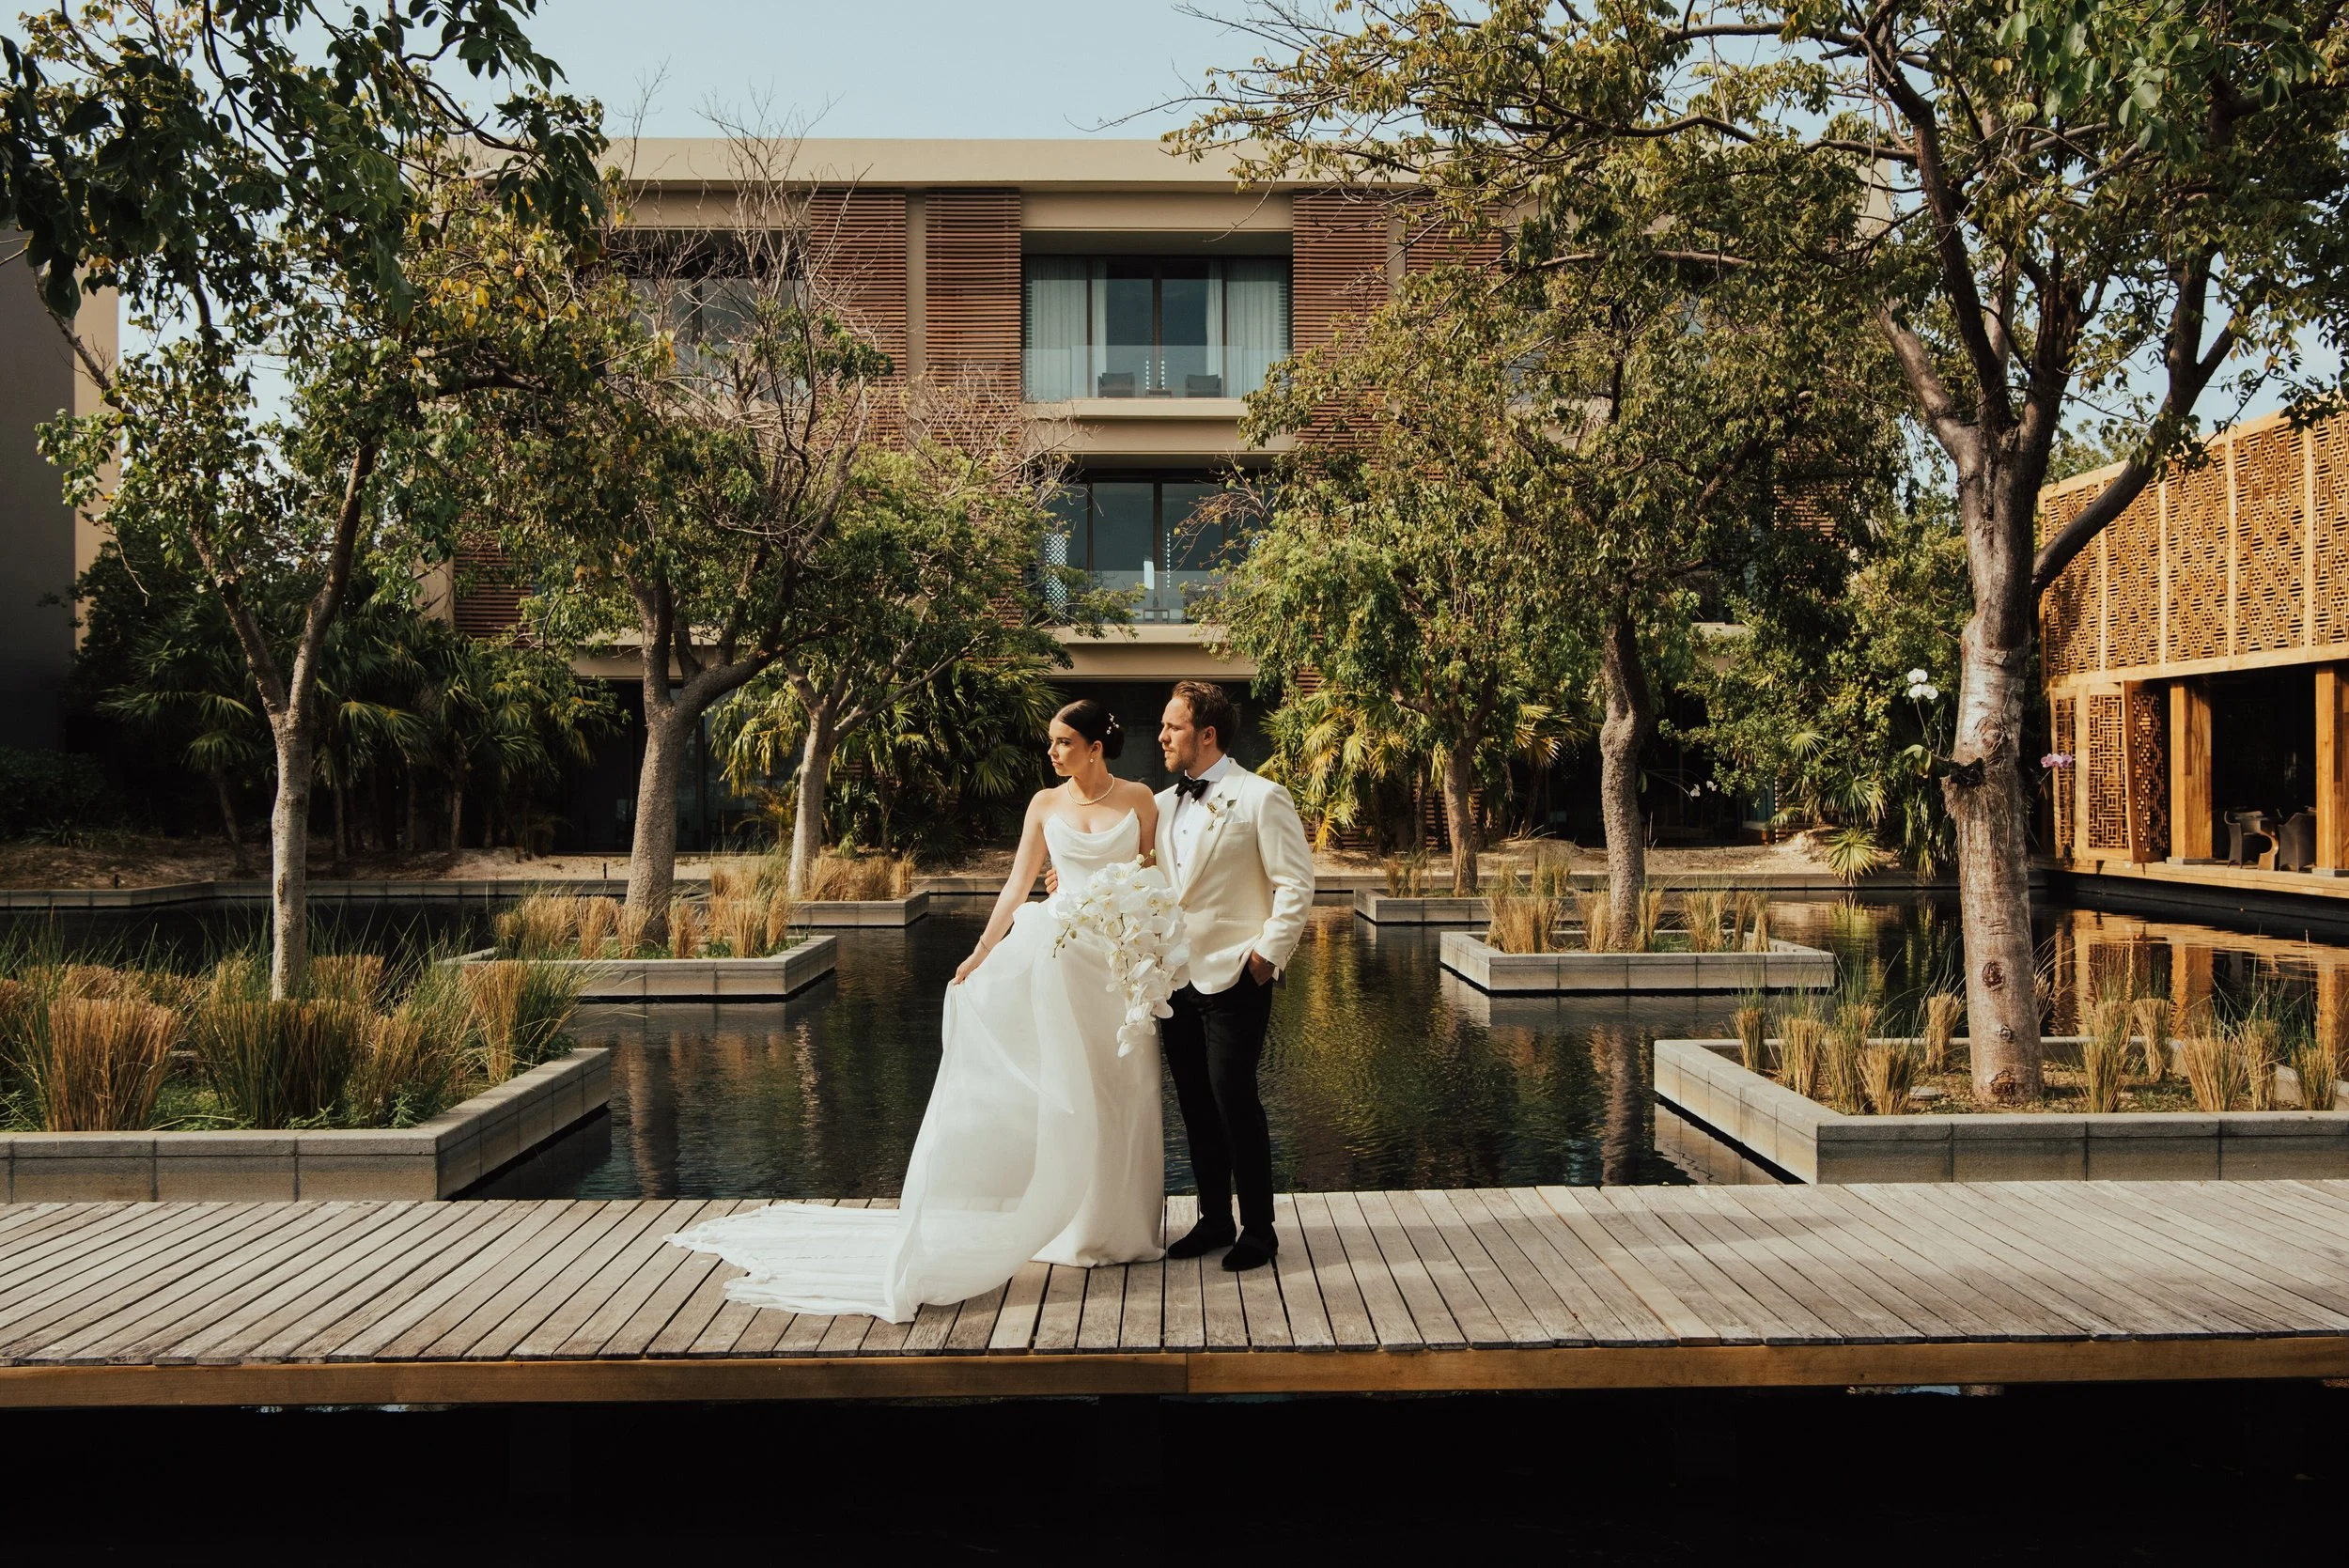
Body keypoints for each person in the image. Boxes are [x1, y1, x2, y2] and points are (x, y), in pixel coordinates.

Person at [666, 699, 1172, 1323]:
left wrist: (1142, 931)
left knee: (1128, 1088)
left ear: (1096, 746)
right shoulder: (1045, 804)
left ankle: (1128, 1230)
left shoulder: (1142, 799)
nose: (1052, 751)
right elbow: (1018, 884)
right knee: (1073, 1093)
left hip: (1120, 967)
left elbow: (1152, 876)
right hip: (1062, 961)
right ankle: (1073, 1225)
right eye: (1050, 741)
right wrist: (981, 953)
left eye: (1063, 741)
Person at [1152, 679, 1315, 1271]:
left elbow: (1296, 884)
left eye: (1172, 726)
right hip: (1174, 979)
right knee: (1195, 1103)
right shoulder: (1162, 804)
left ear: (1207, 734)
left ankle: (1260, 1231)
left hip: (1237, 976)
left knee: (1234, 1099)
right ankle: (1215, 1220)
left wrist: (1265, 957)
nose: (1162, 735)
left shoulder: (1261, 796)